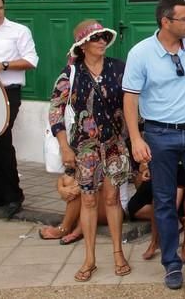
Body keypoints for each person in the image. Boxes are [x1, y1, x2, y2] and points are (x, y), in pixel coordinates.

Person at [122, 0, 185, 293]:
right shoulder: (141, 53)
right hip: (159, 135)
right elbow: (130, 98)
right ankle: (172, 264)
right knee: (164, 202)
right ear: (166, 22)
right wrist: (136, 139)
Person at [49, 19, 131, 282]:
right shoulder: (70, 73)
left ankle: (118, 252)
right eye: (96, 38)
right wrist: (63, 146)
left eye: (104, 37)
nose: (102, 42)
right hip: (84, 147)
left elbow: (134, 103)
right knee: (88, 200)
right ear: (83, 45)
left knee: (112, 199)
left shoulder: (119, 68)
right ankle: (90, 258)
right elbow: (55, 111)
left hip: (116, 144)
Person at [0, 0, 38, 219]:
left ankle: (14, 196)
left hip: (7, 93)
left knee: (2, 142)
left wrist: (3, 65)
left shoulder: (18, 31)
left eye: (0, 8)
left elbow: (31, 61)